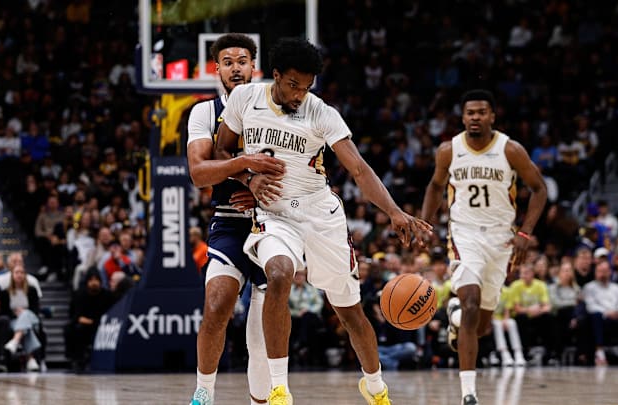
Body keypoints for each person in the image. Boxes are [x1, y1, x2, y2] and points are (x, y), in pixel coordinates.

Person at [215, 37, 432, 405]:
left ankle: (375, 387)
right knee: (279, 272)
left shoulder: (322, 113)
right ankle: (279, 388)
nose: (300, 94)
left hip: (321, 215)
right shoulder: (243, 99)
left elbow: (360, 170)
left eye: (307, 87)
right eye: (293, 85)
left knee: (350, 312)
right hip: (273, 212)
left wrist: (394, 211)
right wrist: (247, 178)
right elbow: (222, 150)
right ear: (276, 76)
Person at [421, 89, 547, 405]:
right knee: (472, 301)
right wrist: (425, 222)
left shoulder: (510, 150)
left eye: (481, 112)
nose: (475, 117)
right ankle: (469, 394)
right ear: (463, 117)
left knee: (480, 327)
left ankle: (455, 317)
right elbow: (436, 186)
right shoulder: (449, 150)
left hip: (501, 239)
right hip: (464, 235)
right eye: (470, 113)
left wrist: (525, 233)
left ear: (492, 116)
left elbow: (539, 189)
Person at [186, 33, 283, 405]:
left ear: (253, 67)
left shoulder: (272, 108)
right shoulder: (203, 112)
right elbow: (199, 173)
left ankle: (264, 397)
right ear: (217, 69)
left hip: (273, 222)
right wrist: (245, 169)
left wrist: (259, 187)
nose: (235, 68)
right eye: (228, 62)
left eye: (242, 61)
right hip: (228, 221)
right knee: (215, 306)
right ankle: (203, 393)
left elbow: (289, 167)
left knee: (260, 338)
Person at [0, 264, 43, 372]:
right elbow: (3, 312)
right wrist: (15, 314)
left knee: (25, 314)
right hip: (14, 321)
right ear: (12, 275)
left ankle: (15, 341)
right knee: (26, 329)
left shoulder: (32, 290)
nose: (19, 275)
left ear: (25, 275)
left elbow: (35, 310)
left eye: (22, 272)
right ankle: (30, 359)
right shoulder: (6, 292)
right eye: (17, 272)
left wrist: (24, 312)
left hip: (31, 319)